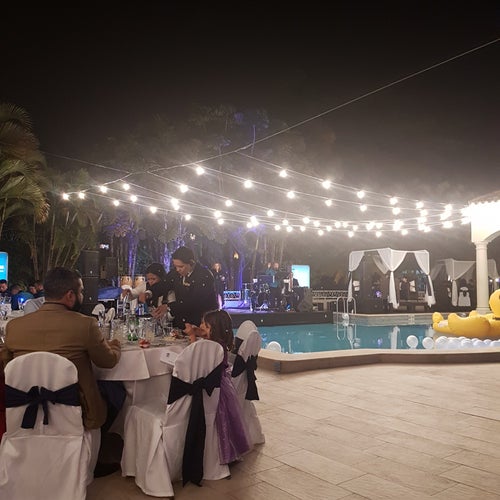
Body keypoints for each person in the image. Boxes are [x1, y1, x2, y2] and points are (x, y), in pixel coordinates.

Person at [2, 267, 123, 477]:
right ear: (70, 295)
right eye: (81, 291)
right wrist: (116, 345)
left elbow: (7, 367)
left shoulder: (14, 327)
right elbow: (108, 361)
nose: (82, 296)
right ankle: (93, 458)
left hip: (26, 404)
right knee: (117, 390)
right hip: (74, 406)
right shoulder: (85, 324)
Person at [184, 309, 251, 464]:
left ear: (215, 330)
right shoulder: (217, 342)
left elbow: (195, 358)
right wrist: (199, 332)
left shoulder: (214, 346)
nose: (201, 326)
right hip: (221, 382)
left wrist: (193, 336)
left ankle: (225, 452)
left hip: (215, 386)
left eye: (206, 326)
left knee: (222, 420)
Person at [152, 246, 218, 330]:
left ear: (191, 263)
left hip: (201, 324)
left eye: (181, 266)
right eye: (175, 266)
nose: (177, 270)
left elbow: (195, 301)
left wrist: (169, 307)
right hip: (182, 324)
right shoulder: (175, 274)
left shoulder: (204, 276)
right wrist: (148, 293)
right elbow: (163, 285)